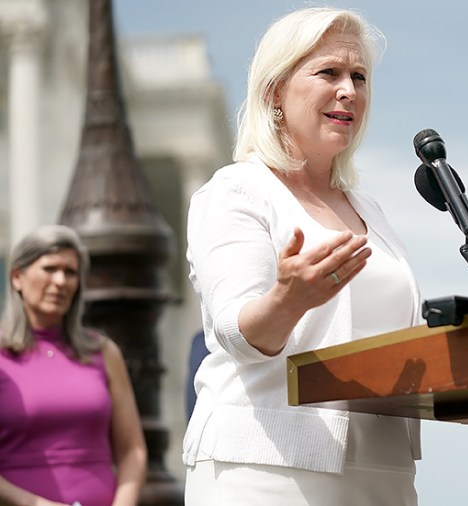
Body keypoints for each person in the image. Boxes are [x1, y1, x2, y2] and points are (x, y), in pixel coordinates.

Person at [182, 7, 421, 505]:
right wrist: (290, 300)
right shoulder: (237, 192)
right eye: (328, 72)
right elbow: (236, 331)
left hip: (382, 469)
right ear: (275, 91)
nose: (349, 90)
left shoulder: (369, 209)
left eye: (359, 76)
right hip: (267, 469)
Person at [0, 225, 146, 506]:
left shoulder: (103, 352)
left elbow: (132, 450)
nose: (60, 281)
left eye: (70, 272)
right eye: (50, 268)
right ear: (17, 277)